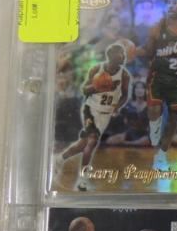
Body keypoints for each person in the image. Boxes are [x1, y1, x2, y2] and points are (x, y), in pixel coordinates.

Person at [127, 0, 177, 169]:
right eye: (169, 2)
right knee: (154, 110)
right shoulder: (157, 27)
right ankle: (154, 132)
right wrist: (134, 51)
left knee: (174, 118)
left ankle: (162, 152)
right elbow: (148, 50)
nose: (171, 5)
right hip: (159, 75)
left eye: (175, 3)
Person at [54, 42, 131, 191]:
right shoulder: (97, 69)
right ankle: (82, 180)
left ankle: (59, 159)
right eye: (120, 54)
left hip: (105, 114)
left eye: (124, 54)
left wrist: (117, 106)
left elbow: (125, 95)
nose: (124, 56)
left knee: (83, 145)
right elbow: (84, 90)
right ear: (111, 56)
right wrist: (99, 87)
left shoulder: (124, 75)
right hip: (90, 109)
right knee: (92, 141)